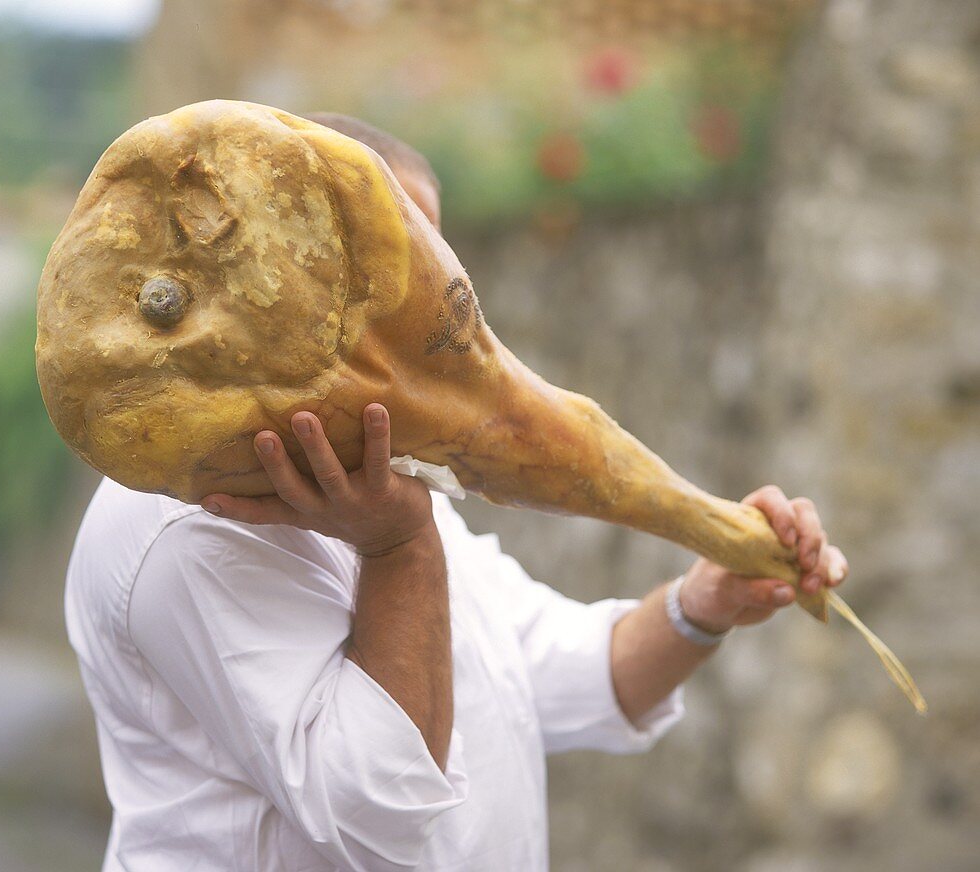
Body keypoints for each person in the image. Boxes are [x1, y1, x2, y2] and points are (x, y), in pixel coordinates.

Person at [64, 115, 849, 872]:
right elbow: (378, 813)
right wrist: (398, 549)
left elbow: (560, 675)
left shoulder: (387, 481)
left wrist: (705, 599)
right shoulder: (183, 528)